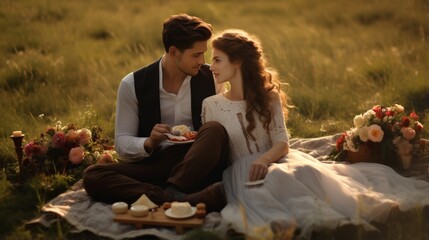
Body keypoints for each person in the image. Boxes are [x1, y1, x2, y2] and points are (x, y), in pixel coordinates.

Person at [202, 29, 429, 239]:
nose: (211, 66)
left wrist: (264, 159)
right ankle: (336, 223)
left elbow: (282, 141)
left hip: (276, 158)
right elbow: (213, 148)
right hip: (243, 171)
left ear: (238, 61)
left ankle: (364, 213)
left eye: (217, 59)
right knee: (275, 184)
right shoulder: (211, 105)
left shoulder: (268, 96)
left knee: (305, 171)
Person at [82, 14, 230, 213]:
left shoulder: (212, 79)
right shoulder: (132, 84)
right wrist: (149, 142)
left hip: (196, 163)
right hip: (157, 164)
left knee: (214, 128)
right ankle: (173, 195)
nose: (202, 61)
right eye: (195, 55)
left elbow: (220, 135)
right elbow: (122, 143)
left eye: (203, 53)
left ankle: (169, 191)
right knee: (93, 176)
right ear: (174, 52)